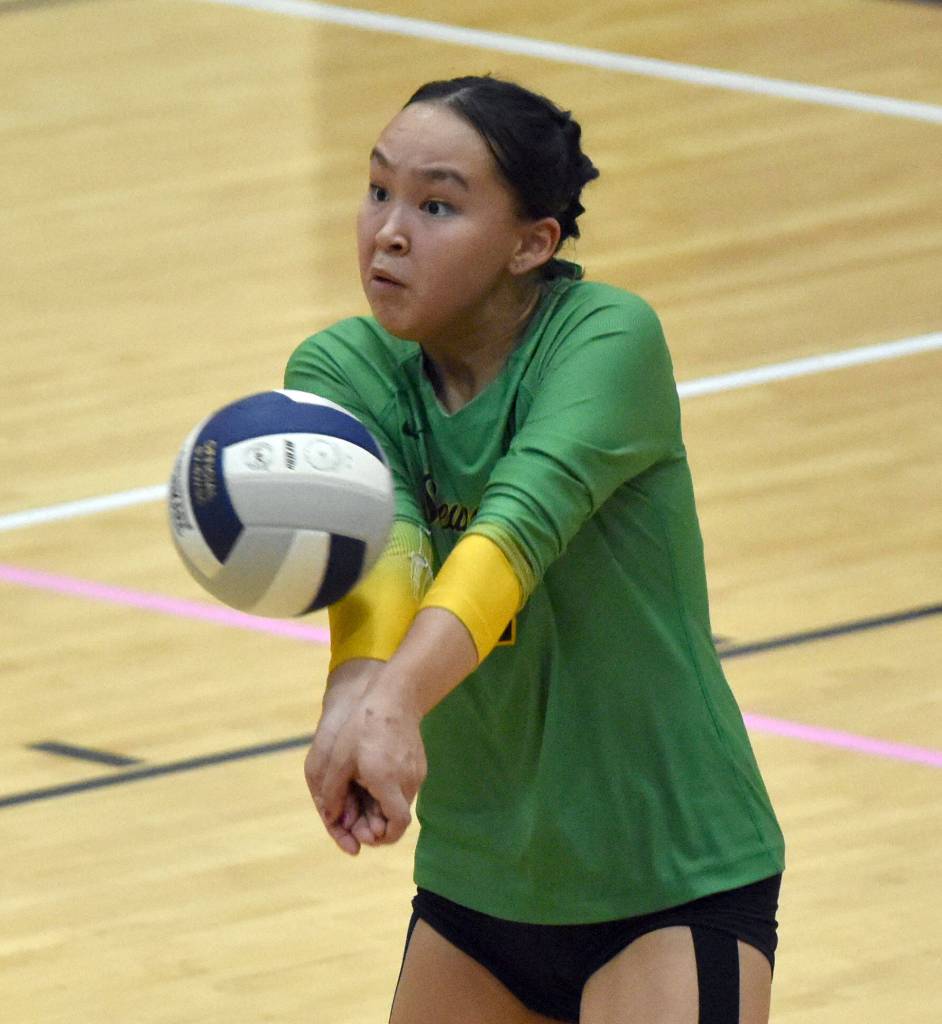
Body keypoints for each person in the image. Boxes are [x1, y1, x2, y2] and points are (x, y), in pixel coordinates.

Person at [284, 75, 785, 1024]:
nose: (389, 230)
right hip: (480, 885)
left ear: (532, 243)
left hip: (667, 877)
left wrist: (394, 700)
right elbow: (383, 559)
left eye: (437, 204)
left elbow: (515, 531)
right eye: (379, 189)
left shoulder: (607, 340)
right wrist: (353, 699)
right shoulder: (339, 370)